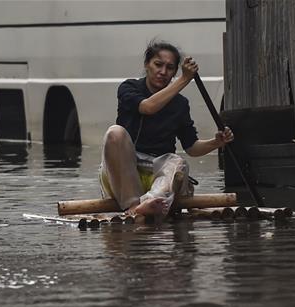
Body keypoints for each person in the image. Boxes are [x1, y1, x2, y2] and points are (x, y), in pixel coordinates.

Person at [100, 41, 235, 217]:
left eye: (170, 68)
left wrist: (216, 142)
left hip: (157, 171)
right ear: (146, 65)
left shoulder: (180, 104)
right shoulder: (129, 88)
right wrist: (185, 79)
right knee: (114, 132)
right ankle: (133, 206)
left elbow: (192, 148)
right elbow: (148, 107)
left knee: (178, 162)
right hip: (125, 170)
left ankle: (148, 203)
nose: (163, 72)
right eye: (158, 65)